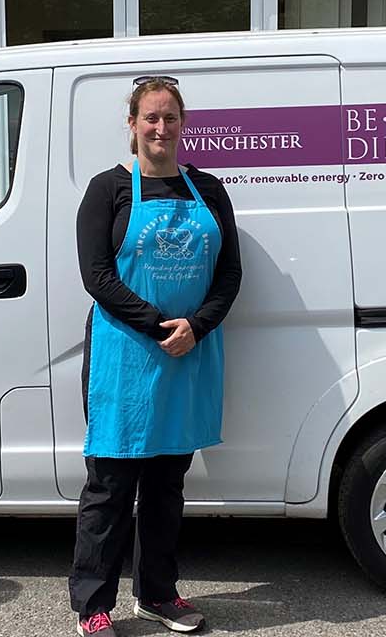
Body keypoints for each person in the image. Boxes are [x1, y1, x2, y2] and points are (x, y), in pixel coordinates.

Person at [69, 75, 242, 637]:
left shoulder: (209, 190)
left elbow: (229, 275)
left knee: (167, 488)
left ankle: (158, 595)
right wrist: (157, 323)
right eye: (150, 117)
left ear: (182, 123)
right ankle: (92, 606)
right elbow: (96, 275)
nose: (160, 128)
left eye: (170, 117)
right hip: (125, 356)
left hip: (187, 354)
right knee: (110, 487)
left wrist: (196, 326)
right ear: (132, 125)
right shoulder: (108, 189)